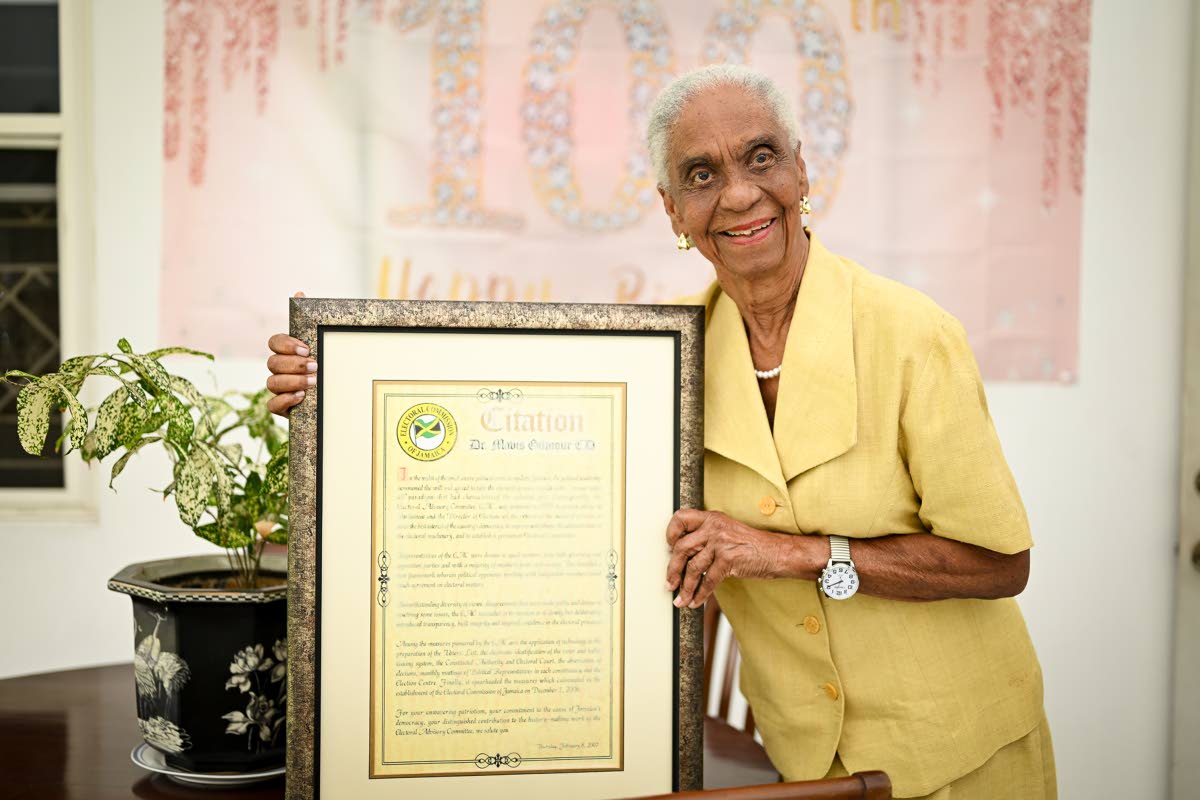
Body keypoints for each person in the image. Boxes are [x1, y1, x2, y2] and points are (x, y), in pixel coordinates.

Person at [265, 64, 1054, 800]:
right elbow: (507, 449)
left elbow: (1002, 563)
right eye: (701, 175)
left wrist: (797, 554)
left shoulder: (913, 335)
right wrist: (334, 386)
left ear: (802, 172)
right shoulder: (669, 366)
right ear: (672, 210)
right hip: (805, 766)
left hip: (963, 755)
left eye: (761, 157)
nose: (740, 195)